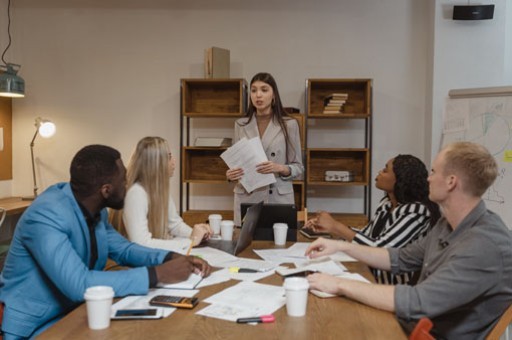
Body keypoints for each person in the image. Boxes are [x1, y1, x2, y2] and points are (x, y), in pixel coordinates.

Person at [0, 145, 211, 338]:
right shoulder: (46, 216)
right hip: (36, 326)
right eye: (124, 181)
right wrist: (157, 274)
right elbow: (79, 284)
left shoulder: (94, 209)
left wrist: (168, 257)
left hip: (78, 312)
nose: (128, 186)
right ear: (106, 190)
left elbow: (124, 250)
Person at [305, 142, 512, 339]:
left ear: (451, 182)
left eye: (433, 172)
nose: (428, 179)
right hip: (411, 325)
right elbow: (399, 258)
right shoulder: (446, 225)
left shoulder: (485, 245)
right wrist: (339, 245)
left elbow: (417, 301)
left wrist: (339, 284)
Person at [305, 154, 440, 284]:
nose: (380, 172)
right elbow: (367, 235)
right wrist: (330, 230)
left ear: (400, 179)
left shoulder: (416, 211)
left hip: (393, 287)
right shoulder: (386, 204)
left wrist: (336, 226)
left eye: (385, 170)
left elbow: (380, 250)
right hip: (369, 274)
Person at [226, 72, 304, 225]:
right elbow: (236, 162)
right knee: (244, 246)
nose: (258, 95)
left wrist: (279, 167)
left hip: (277, 197)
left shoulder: (289, 124)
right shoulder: (240, 125)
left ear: (273, 94)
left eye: (264, 90)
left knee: (277, 245)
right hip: (247, 197)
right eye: (254, 90)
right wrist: (230, 174)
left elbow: (298, 167)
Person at [111, 137, 211, 253]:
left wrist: (197, 234)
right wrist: (190, 241)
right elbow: (141, 243)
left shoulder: (158, 189)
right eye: (168, 157)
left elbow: (174, 225)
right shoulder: (136, 193)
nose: (174, 161)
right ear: (156, 163)